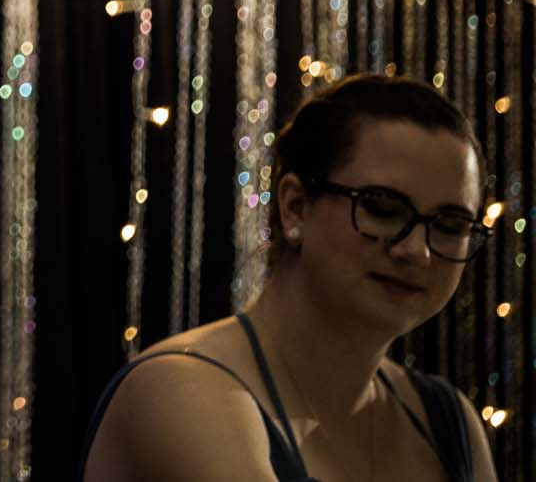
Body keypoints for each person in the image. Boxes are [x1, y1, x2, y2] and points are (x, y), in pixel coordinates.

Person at [81, 74, 497, 482]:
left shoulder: (447, 421)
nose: (417, 250)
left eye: (449, 224)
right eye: (383, 209)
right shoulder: (178, 390)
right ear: (295, 208)